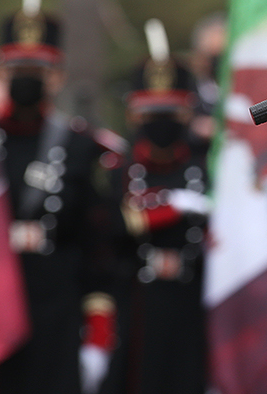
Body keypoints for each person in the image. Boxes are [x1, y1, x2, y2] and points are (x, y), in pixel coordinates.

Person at [0, 0, 119, 394]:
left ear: (57, 77)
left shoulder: (80, 147)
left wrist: (97, 332)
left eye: (37, 70)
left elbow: (97, 244)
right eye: (17, 69)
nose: (27, 79)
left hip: (54, 312)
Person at [103, 47, 211, 394]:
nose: (161, 122)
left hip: (192, 306)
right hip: (137, 305)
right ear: (134, 115)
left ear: (188, 113)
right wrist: (170, 207)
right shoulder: (119, 171)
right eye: (151, 113)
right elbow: (109, 230)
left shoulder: (206, 170)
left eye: (170, 112)